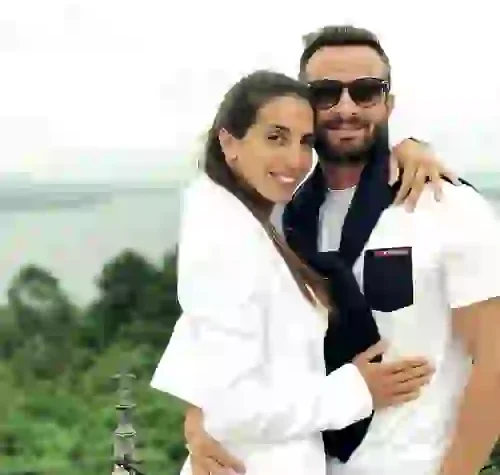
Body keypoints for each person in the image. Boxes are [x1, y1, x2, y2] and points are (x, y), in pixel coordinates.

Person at [184, 26, 500, 475]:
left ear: (388, 103)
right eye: (326, 93)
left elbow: (494, 358)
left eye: (365, 92)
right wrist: (199, 422)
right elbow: (212, 331)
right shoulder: (280, 218)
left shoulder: (445, 205)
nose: (346, 108)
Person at [150, 70, 436, 475]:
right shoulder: (228, 241)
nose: (296, 160)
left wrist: (408, 148)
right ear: (229, 142)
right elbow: (233, 409)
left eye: (305, 142)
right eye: (275, 138)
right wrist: (357, 391)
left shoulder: (254, 217)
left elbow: (201, 329)